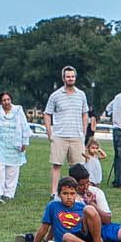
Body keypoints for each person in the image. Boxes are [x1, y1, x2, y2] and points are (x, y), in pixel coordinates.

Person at [24, 176, 118, 242]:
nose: (69, 197)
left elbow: (90, 225)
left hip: (84, 237)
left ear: (76, 194)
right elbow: (44, 228)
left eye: (72, 194)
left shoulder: (81, 206)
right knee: (67, 237)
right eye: (65, 193)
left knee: (89, 209)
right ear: (59, 195)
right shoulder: (53, 206)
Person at [43, 66, 93, 197]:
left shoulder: (81, 95)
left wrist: (83, 132)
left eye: (72, 76)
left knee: (78, 167)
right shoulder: (56, 95)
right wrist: (50, 133)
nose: (70, 79)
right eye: (68, 76)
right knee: (57, 165)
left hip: (77, 136)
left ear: (75, 78)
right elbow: (47, 114)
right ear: (63, 78)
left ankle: (77, 192)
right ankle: (54, 193)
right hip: (60, 135)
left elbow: (85, 114)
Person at [0, 91, 31, 199]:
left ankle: (9, 194)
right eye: (4, 100)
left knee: (13, 169)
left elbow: (24, 126)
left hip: (15, 143)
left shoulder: (18, 110)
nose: (6, 102)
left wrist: (25, 142)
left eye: (8, 100)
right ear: (0, 102)